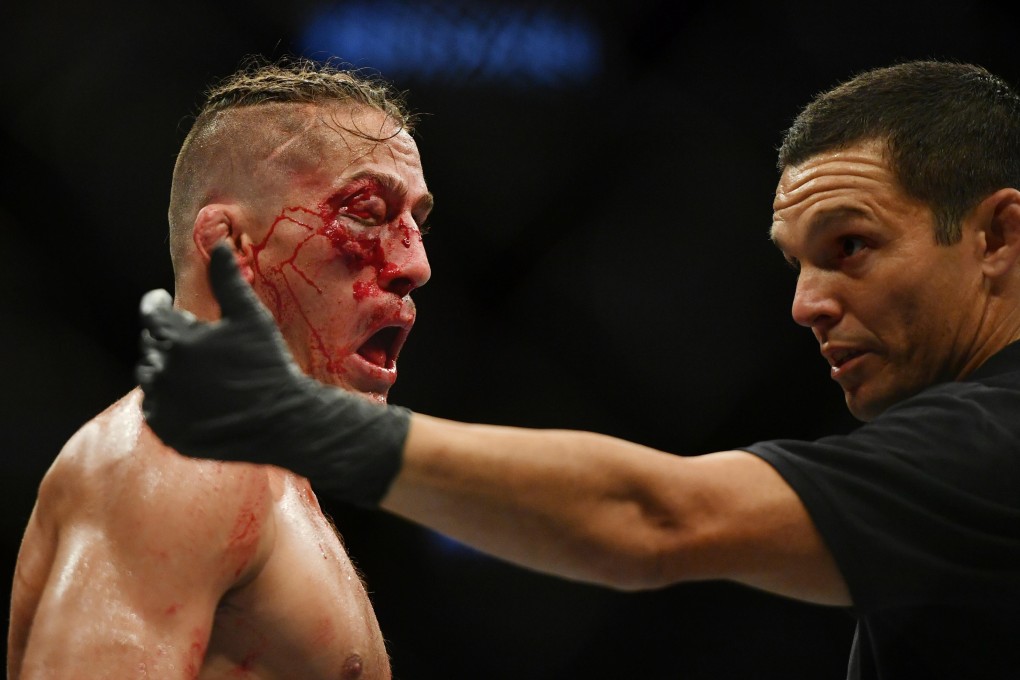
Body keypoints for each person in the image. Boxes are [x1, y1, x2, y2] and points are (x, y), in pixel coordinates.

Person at [136, 60, 1020, 679]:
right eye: (798, 264)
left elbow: (658, 516)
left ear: (998, 237)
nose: (807, 305)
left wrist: (299, 419)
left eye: (852, 246)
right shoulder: (154, 473)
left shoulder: (993, 443)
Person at [8, 56, 433, 679]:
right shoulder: (183, 461)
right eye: (365, 213)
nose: (415, 264)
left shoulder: (262, 473)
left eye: (417, 223)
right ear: (232, 250)